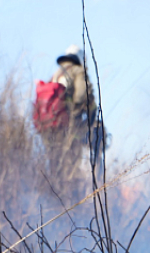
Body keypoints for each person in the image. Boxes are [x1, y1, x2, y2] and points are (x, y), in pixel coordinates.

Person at [41, 45, 104, 173]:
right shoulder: (78, 70)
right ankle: (70, 186)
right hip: (70, 125)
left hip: (49, 124)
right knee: (72, 160)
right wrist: (82, 115)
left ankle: (53, 186)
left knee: (54, 159)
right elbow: (83, 95)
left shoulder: (57, 73)